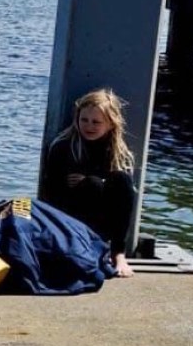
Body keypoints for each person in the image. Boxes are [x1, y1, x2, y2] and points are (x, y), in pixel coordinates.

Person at [40, 88, 137, 277]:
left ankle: (118, 254)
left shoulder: (118, 151)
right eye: (84, 120)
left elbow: (121, 195)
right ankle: (83, 247)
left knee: (123, 180)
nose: (89, 126)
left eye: (96, 122)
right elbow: (51, 194)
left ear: (110, 124)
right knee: (92, 184)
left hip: (103, 219)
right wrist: (86, 182)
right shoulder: (62, 147)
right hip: (70, 217)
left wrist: (95, 178)